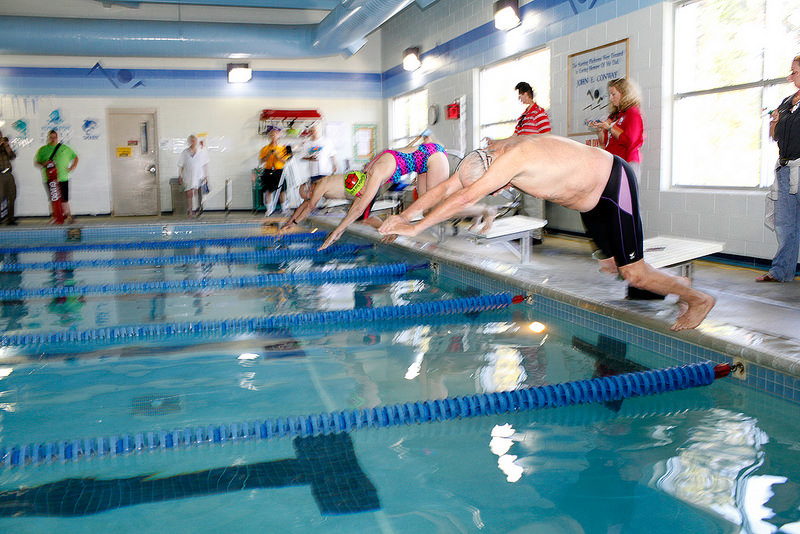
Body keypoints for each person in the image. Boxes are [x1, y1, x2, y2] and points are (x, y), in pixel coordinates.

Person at [379, 135, 716, 331]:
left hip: (613, 184)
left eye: (496, 187)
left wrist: (414, 227)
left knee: (635, 274)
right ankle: (677, 283)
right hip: (591, 201)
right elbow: (448, 189)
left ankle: (699, 301)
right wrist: (402, 218)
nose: (497, 192)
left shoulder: (514, 157)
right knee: (611, 265)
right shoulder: (487, 155)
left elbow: (465, 197)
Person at [295, 136, 449, 250]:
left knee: (440, 205)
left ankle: (469, 204)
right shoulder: (368, 169)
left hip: (434, 156)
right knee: (427, 211)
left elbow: (358, 209)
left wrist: (337, 232)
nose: (361, 196)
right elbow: (358, 205)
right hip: (421, 160)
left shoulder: (376, 173)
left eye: (360, 193)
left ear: (363, 186)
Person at [380, 149, 498, 238]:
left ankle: (486, 210)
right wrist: (404, 217)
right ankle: (483, 210)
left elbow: (461, 200)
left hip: (479, 159)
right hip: (477, 159)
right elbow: (443, 189)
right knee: (436, 208)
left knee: (454, 202)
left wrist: (415, 228)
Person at [759, 55, 800, 283]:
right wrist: (774, 122)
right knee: (785, 224)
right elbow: (774, 137)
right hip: (785, 169)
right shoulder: (787, 102)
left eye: (794, 72)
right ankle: (781, 271)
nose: (789, 76)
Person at [589, 78, 645, 178]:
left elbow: (630, 141)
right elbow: (603, 144)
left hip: (627, 162)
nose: (610, 98)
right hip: (612, 161)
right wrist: (600, 130)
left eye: (613, 94)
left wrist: (610, 128)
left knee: (623, 193)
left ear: (624, 93)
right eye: (610, 95)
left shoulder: (633, 113)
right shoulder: (615, 115)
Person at [34, 130, 79, 224]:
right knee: (52, 198)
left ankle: (68, 216)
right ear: (48, 138)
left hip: (63, 177)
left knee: (64, 199)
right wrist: (43, 163)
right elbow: (37, 162)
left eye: (55, 137)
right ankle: (54, 216)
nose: (53, 139)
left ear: (57, 138)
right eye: (51, 137)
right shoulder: (43, 149)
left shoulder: (65, 148)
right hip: (50, 179)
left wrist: (73, 166)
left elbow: (75, 157)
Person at [258, 126, 291, 216]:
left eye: (275, 134)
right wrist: (268, 155)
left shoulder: (284, 148)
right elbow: (261, 161)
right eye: (272, 134)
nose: (273, 136)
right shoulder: (264, 149)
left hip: (279, 171)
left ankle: (284, 209)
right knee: (268, 191)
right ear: (269, 136)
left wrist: (278, 156)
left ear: (279, 136)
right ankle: (269, 210)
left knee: (282, 191)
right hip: (268, 171)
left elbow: (286, 161)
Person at [177, 134, 208, 218]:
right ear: (189, 142)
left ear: (196, 141)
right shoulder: (185, 152)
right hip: (188, 176)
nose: (193, 142)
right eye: (191, 141)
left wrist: (206, 176)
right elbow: (180, 165)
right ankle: (190, 210)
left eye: (194, 140)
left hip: (199, 176)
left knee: (197, 193)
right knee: (189, 193)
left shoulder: (201, 151)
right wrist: (180, 176)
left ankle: (197, 209)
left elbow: (205, 164)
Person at [0, 131, 17, 225]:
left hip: (9, 174)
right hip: (0, 175)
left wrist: (7, 146)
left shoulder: (5, 146)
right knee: (0, 196)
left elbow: (13, 156)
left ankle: (10, 218)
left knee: (12, 196)